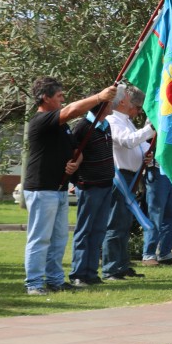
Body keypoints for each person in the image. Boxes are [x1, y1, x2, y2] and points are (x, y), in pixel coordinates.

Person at [22, 77, 117, 295]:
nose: (63, 100)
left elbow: (77, 152)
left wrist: (76, 163)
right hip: (41, 189)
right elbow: (73, 110)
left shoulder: (62, 128)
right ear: (45, 98)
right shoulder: (42, 120)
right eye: (59, 96)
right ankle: (34, 283)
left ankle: (55, 280)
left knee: (58, 239)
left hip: (59, 189)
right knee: (40, 238)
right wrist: (99, 97)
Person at [104, 86, 154, 280]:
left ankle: (122, 265)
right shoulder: (112, 120)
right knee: (115, 224)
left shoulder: (126, 121)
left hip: (131, 178)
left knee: (124, 224)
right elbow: (128, 141)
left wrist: (145, 155)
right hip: (119, 178)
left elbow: (138, 145)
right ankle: (111, 268)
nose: (138, 111)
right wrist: (150, 129)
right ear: (124, 102)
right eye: (137, 107)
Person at [69, 100, 116, 287]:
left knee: (98, 230)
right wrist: (76, 180)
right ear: (101, 107)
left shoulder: (106, 125)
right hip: (89, 185)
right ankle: (78, 273)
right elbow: (73, 156)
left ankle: (91, 272)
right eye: (109, 103)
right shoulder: (83, 127)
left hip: (106, 185)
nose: (112, 105)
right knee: (85, 230)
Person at [142, 156, 172, 266]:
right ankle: (148, 254)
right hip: (156, 170)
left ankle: (165, 254)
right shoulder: (152, 137)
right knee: (155, 215)